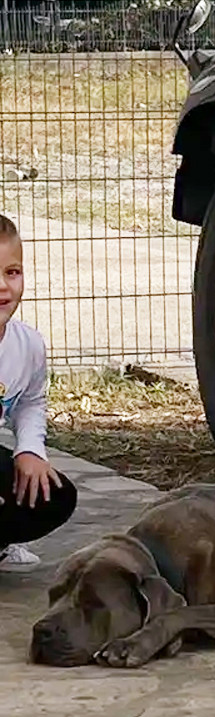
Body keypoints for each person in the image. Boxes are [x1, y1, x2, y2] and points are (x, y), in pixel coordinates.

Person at [0, 214, 76, 570]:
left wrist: (29, 450)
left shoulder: (27, 344)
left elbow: (30, 400)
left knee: (55, 496)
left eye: (12, 272)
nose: (3, 287)